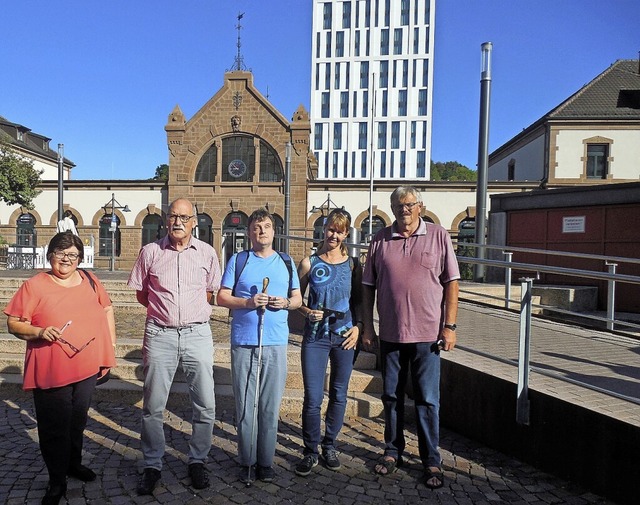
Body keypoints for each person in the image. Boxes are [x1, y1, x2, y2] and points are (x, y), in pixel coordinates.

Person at [4, 232, 116, 505]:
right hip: (51, 368)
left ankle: (73, 464)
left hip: (87, 365)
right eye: (60, 253)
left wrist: (109, 351)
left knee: (77, 421)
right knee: (54, 427)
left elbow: (107, 310)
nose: (66, 259)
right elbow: (14, 324)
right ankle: (56, 480)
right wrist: (40, 331)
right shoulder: (35, 286)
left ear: (80, 258)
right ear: (50, 254)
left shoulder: (90, 280)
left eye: (73, 255)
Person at [362, 186, 460, 490]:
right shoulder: (380, 239)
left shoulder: (439, 235)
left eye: (408, 204)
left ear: (420, 206)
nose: (403, 210)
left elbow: (452, 282)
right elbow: (367, 286)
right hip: (391, 333)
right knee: (390, 396)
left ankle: (431, 457)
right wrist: (368, 326)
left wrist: (450, 326)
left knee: (427, 399)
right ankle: (393, 451)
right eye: (397, 205)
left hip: (428, 334)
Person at [127, 198, 221, 495]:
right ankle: (153, 464)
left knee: (205, 403)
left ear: (194, 221)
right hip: (160, 335)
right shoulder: (150, 252)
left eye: (184, 217)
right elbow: (142, 294)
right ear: (166, 220)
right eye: (173, 216)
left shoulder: (207, 253)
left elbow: (210, 293)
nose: (178, 221)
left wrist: (187, 313)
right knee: (153, 406)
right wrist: (165, 312)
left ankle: (198, 460)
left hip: (197, 334)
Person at [217, 208, 302, 484]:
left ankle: (265, 461)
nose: (261, 231)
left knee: (269, 405)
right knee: (245, 404)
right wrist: (248, 303)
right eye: (256, 227)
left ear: (274, 230)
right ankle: (247, 459)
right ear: (249, 232)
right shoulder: (239, 260)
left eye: (266, 226)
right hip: (244, 341)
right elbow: (222, 297)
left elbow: (298, 299)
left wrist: (285, 303)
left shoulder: (287, 262)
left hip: (275, 341)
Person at [294, 209, 362, 476]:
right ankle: (310, 450)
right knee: (312, 397)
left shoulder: (353, 264)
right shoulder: (309, 263)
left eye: (340, 230)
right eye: (331, 229)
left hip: (345, 336)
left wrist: (359, 327)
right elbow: (295, 300)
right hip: (315, 337)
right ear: (324, 230)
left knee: (339, 393)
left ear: (346, 234)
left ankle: (330, 444)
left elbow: (359, 301)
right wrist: (307, 312)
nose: (334, 234)